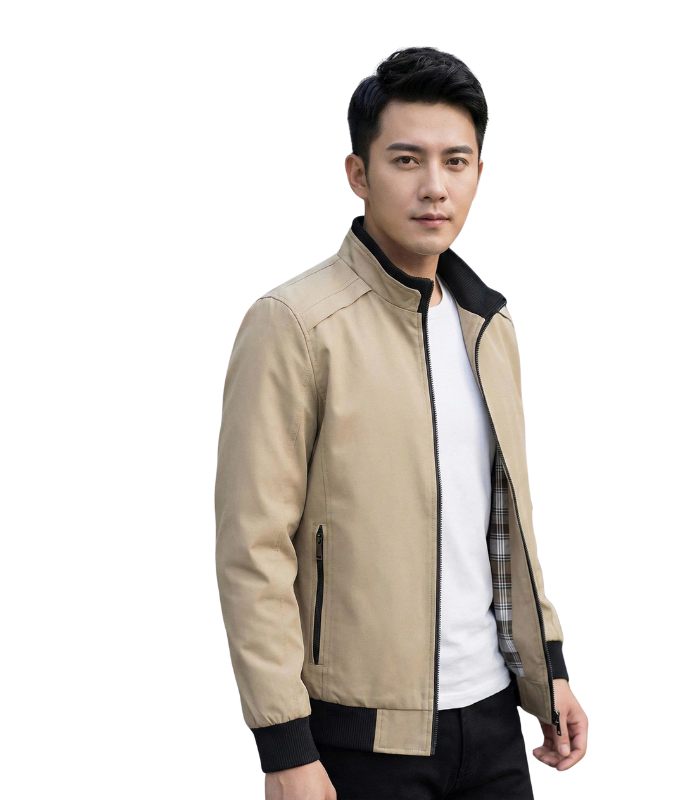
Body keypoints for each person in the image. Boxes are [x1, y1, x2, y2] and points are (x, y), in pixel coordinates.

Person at [215, 45, 588, 800]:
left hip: (492, 725)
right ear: (358, 174)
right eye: (406, 160)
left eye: (456, 162)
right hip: (359, 738)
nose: (434, 186)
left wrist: (548, 669)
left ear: (479, 172)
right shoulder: (295, 325)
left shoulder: (490, 326)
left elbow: (506, 522)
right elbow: (253, 548)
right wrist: (283, 747)